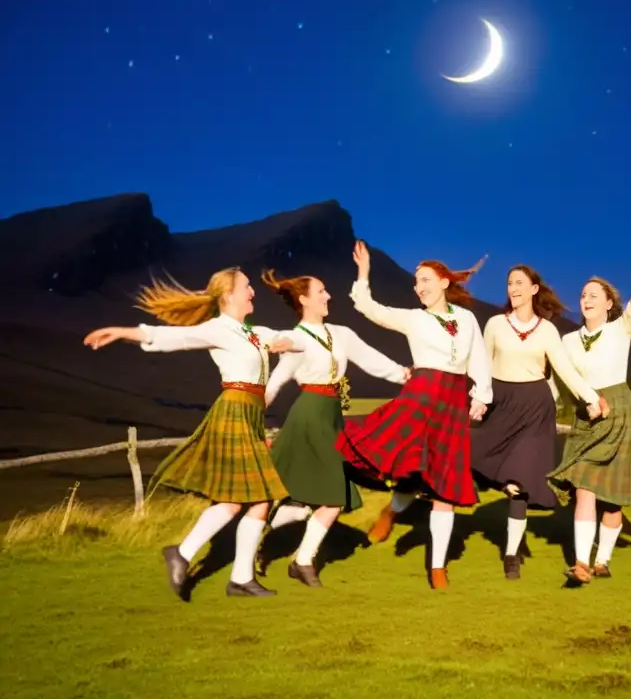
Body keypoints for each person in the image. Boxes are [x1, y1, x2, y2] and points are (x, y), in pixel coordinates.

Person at [83, 268, 302, 600]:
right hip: (233, 411)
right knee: (250, 498)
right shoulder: (218, 329)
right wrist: (121, 332)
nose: (253, 292)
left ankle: (219, 569)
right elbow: (171, 338)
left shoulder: (253, 332)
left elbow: (284, 337)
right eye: (247, 287)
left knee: (248, 500)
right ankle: (202, 562)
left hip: (251, 414)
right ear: (228, 296)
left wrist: (289, 341)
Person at [335, 241, 492, 590]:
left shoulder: (466, 319)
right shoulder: (413, 318)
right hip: (419, 399)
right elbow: (368, 307)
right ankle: (390, 511)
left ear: (444, 282)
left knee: (444, 489)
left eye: (425, 280)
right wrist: (363, 272)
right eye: (416, 282)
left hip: (452, 402)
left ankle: (438, 568)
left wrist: (482, 394)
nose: (419, 287)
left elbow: (479, 358)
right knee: (408, 469)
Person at [257, 270, 410, 587]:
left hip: (330, 416)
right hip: (308, 417)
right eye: (322, 292)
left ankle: (288, 554)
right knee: (331, 495)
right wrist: (249, 410)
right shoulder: (298, 338)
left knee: (308, 498)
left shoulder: (340, 334)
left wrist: (405, 375)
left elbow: (371, 359)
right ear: (304, 300)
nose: (328, 297)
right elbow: (275, 380)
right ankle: (295, 558)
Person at [471, 265, 608, 580]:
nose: (513, 288)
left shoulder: (547, 330)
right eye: (509, 283)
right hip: (501, 404)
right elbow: (481, 364)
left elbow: (564, 369)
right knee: (472, 452)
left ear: (534, 289)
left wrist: (590, 397)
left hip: (534, 408)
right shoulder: (494, 324)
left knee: (519, 485)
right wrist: (479, 395)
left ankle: (511, 555)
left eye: (520, 283)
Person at [549, 248, 631, 584]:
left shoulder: (621, 329)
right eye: (583, 295)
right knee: (584, 487)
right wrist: (583, 401)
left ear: (608, 304)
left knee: (612, 500)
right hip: (587, 416)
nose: (586, 299)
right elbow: (566, 377)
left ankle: (603, 560)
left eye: (594, 295)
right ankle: (581, 563)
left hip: (620, 411)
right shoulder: (568, 340)